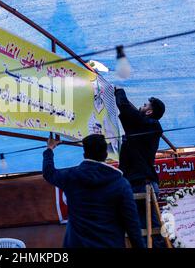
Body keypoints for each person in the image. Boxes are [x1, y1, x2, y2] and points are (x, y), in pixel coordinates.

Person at [42, 133, 144, 248]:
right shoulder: (121, 184)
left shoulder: (71, 177)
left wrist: (49, 149)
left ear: (84, 154)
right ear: (105, 154)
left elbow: (48, 173)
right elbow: (132, 226)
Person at [114, 87, 166, 247]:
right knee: (141, 228)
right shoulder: (143, 125)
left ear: (149, 112)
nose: (141, 107)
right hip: (137, 182)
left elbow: (126, 109)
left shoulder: (150, 124)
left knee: (152, 229)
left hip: (142, 183)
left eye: (144, 105)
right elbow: (131, 113)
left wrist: (118, 91)